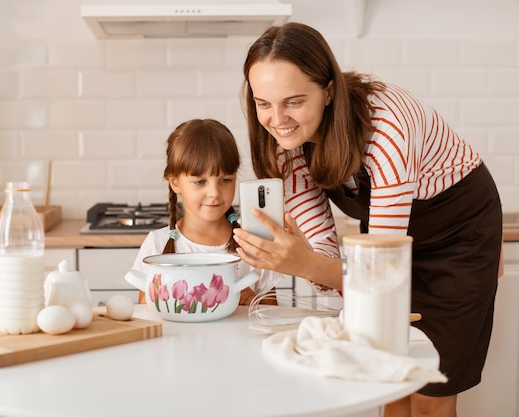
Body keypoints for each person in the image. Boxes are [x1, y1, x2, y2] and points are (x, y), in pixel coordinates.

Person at [232, 22, 503, 417]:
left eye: (293, 101)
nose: (278, 120)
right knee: (387, 381)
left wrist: (303, 262)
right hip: (389, 239)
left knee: (430, 396)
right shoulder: (287, 147)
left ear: (328, 91)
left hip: (457, 237)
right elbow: (327, 250)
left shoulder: (387, 127)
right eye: (263, 104)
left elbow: (380, 280)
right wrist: (304, 257)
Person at [131, 118, 285, 305]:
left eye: (226, 180)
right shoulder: (157, 244)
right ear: (175, 182)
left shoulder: (254, 244)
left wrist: (251, 303)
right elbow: (146, 316)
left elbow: (269, 317)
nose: (214, 193)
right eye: (200, 182)